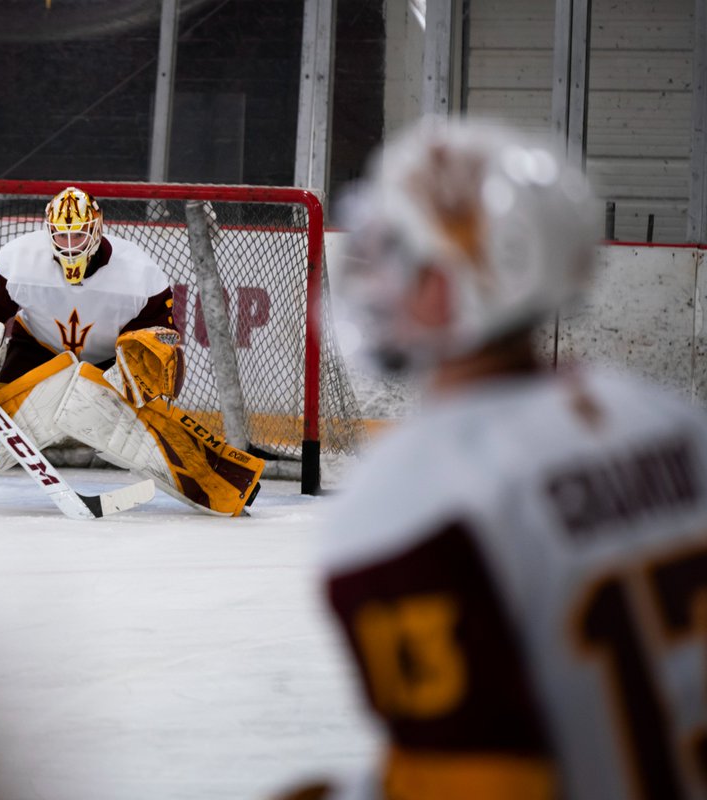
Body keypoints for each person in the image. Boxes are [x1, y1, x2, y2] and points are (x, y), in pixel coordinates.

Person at [294, 117, 707, 800]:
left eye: (402, 253)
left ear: (469, 280)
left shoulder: (406, 501)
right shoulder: (673, 420)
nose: (377, 276)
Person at [0, 186, 263, 516]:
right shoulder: (19, 259)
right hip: (37, 350)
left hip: (108, 360)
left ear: (97, 230)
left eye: (78, 236)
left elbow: (161, 339)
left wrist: (139, 377)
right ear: (48, 232)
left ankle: (226, 485)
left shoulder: (139, 273)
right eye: (61, 237)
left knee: (143, 427)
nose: (69, 246)